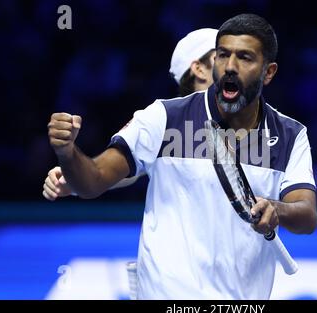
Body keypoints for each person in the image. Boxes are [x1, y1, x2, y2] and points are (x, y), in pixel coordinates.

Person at [47, 14, 317, 299]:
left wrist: (278, 209)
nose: (230, 67)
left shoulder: (290, 134)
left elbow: (307, 215)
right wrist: (68, 152)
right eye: (222, 55)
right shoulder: (164, 117)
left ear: (268, 72)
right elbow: (95, 180)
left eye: (245, 58)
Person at [43, 28, 218, 200]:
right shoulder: (162, 120)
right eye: (223, 55)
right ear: (199, 69)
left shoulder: (244, 120)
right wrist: (70, 162)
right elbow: (101, 175)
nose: (234, 64)